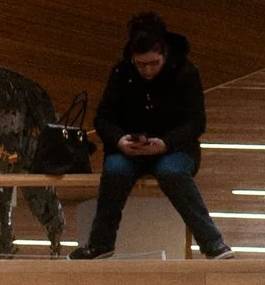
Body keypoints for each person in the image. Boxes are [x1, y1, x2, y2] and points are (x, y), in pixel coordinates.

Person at [76, 13, 230, 259]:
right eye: (140, 64)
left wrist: (166, 143)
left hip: (175, 148)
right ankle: (101, 244)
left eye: (153, 63)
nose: (147, 70)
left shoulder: (186, 72)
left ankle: (212, 243)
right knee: (115, 172)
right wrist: (119, 140)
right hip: (130, 150)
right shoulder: (121, 72)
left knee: (172, 173)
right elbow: (103, 118)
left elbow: (196, 122)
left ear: (165, 53)